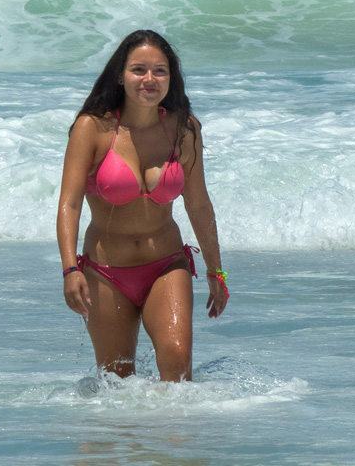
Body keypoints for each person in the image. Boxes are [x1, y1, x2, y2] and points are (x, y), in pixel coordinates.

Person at [56, 30, 228, 383]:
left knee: (178, 367)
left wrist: (216, 271)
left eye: (160, 71)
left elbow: (198, 205)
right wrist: (70, 269)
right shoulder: (92, 128)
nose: (149, 79)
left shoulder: (184, 129)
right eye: (138, 70)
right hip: (105, 272)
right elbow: (69, 203)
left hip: (167, 265)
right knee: (117, 381)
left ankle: (176, 439)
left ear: (171, 77)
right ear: (120, 75)